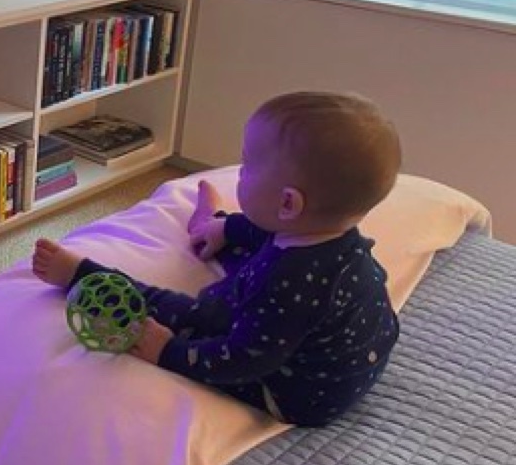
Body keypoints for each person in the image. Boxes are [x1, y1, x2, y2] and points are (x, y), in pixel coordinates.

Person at [32, 91, 404, 427]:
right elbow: (268, 232)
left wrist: (168, 352)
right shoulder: (332, 237)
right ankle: (210, 227)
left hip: (297, 393)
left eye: (247, 166)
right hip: (335, 348)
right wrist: (227, 231)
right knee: (254, 241)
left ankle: (81, 273)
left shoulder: (289, 285)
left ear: (288, 202)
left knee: (196, 312)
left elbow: (240, 360)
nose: (240, 171)